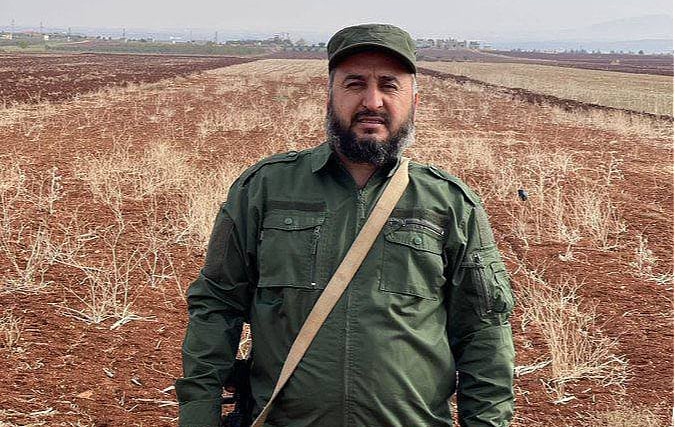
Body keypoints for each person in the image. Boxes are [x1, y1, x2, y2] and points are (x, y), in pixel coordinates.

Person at [176, 23, 515, 427]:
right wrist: (199, 414)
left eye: (389, 85)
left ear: (414, 102)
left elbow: (484, 332)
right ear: (329, 96)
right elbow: (217, 307)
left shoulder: (449, 202)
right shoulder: (265, 188)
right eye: (355, 84)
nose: (372, 101)